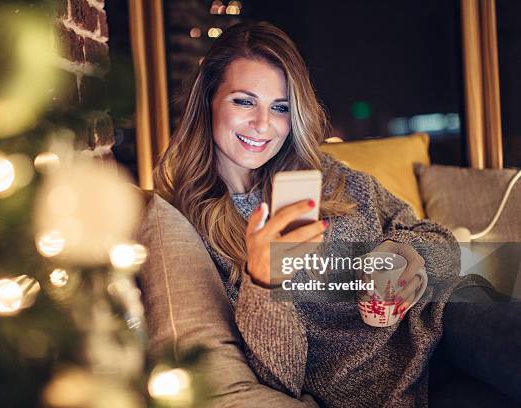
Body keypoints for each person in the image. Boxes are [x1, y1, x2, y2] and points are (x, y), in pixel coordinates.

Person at [153, 22, 521, 407]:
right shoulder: (189, 228)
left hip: (445, 318)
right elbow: (281, 377)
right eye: (244, 101)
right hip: (384, 390)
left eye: (280, 108)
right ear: (209, 100)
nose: (263, 124)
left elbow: (441, 242)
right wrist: (263, 282)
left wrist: (401, 255)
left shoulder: (330, 177)